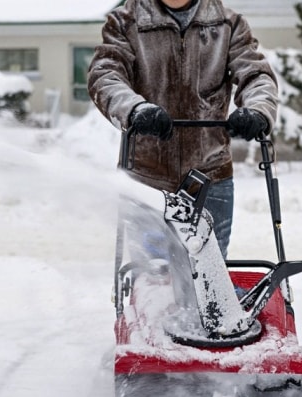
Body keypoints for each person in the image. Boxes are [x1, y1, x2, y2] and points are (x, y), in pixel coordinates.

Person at [88, 0, 278, 259]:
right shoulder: (125, 22)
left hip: (210, 176)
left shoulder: (227, 24)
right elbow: (105, 75)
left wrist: (257, 110)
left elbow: (256, 75)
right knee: (152, 277)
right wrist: (135, 109)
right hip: (147, 177)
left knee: (208, 276)